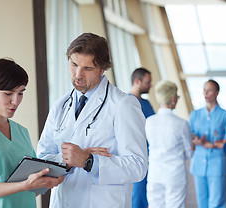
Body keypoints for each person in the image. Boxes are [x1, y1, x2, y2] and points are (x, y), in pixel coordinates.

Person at [37, 32, 148, 208]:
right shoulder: (60, 106)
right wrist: (66, 160)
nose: (78, 74)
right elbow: (42, 158)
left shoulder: (123, 105)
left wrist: (88, 161)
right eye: (74, 64)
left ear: (102, 69)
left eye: (87, 68)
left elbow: (138, 166)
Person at [0, 58, 64, 208]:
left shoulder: (21, 132)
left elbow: (30, 190)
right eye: (8, 93)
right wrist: (23, 185)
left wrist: (43, 181)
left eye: (20, 93)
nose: (16, 101)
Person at [145, 80, 192, 208]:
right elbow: (189, 152)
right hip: (175, 175)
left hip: (154, 174)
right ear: (172, 99)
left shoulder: (149, 122)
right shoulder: (181, 124)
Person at [189, 79, 226, 208]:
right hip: (198, 165)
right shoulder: (195, 114)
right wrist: (196, 140)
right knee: (202, 202)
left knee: (217, 202)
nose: (205, 93)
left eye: (209, 90)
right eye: (204, 90)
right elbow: (189, 135)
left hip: (217, 164)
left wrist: (211, 145)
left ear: (217, 92)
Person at [129, 67, 155, 208]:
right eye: (148, 82)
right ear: (137, 81)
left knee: (147, 195)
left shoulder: (147, 103)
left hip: (150, 156)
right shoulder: (126, 103)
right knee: (137, 196)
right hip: (135, 156)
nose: (150, 85)